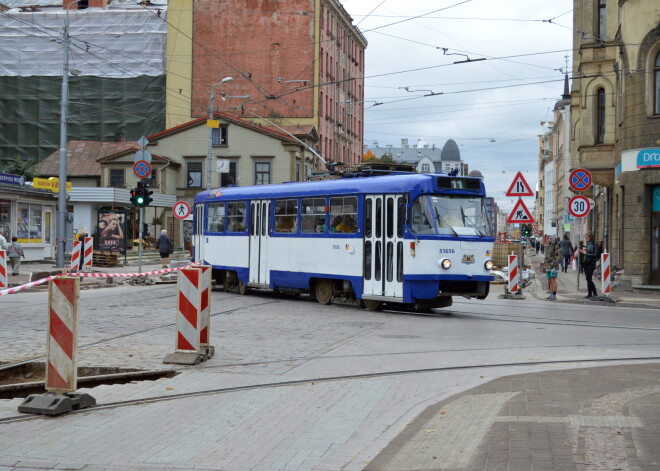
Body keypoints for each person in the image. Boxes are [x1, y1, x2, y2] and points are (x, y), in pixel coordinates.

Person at [581, 232, 601, 298]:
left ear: (590, 237)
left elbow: (595, 255)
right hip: (586, 262)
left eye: (586, 238)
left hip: (591, 263)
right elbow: (588, 251)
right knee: (587, 279)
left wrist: (586, 253)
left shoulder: (594, 244)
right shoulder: (588, 244)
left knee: (589, 279)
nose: (585, 239)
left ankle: (595, 293)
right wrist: (584, 250)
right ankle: (589, 293)